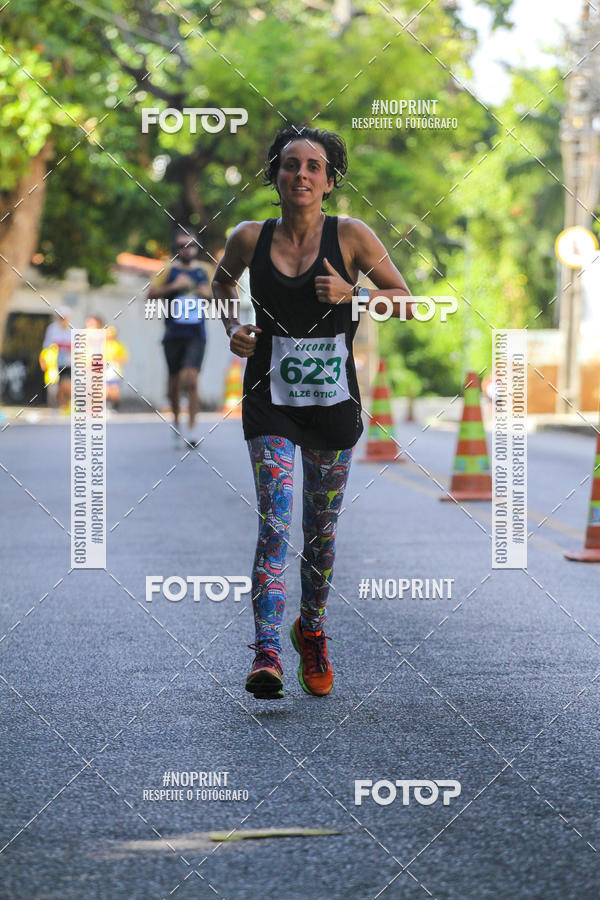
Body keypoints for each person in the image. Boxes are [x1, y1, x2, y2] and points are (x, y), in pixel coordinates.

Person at [213, 125, 414, 701]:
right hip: (270, 400)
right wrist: (234, 328)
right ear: (275, 176)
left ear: (329, 181)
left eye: (313, 167)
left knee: (319, 534)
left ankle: (312, 628)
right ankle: (267, 653)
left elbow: (406, 302)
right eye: (290, 165)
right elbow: (223, 283)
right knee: (274, 525)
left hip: (332, 405)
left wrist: (357, 295)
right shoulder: (249, 237)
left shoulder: (351, 236)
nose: (301, 175)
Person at [147, 230, 210, 447]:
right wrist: (174, 287)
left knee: (191, 380)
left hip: (196, 334)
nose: (187, 249)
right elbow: (150, 294)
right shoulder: (168, 270)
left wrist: (207, 294)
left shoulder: (205, 271)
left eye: (191, 245)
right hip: (173, 334)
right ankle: (176, 421)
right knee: (174, 384)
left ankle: (192, 429)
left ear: (197, 248)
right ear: (176, 248)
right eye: (182, 245)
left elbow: (219, 294)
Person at [41, 307, 72, 411]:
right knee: (53, 385)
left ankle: (64, 404)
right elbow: (46, 345)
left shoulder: (73, 329)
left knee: (66, 383)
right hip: (54, 363)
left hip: (68, 362)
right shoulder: (52, 328)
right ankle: (55, 405)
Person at [105, 325, 129, 410]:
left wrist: (115, 359)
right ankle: (106, 407)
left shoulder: (119, 345)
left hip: (115, 371)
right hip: (104, 371)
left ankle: (115, 408)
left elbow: (125, 359)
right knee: (105, 391)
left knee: (115, 391)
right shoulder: (102, 345)